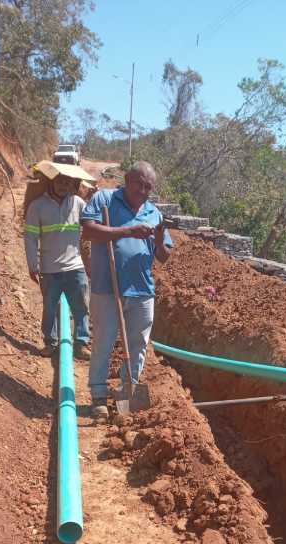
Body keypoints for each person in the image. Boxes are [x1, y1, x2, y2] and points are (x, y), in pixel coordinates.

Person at [81, 161, 173, 419]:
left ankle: (127, 391)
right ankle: (98, 395)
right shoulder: (105, 200)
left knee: (138, 344)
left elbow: (164, 256)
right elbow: (88, 231)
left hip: (142, 290)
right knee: (103, 342)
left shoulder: (154, 213)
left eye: (148, 187)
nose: (143, 190)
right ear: (127, 180)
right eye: (139, 184)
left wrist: (157, 238)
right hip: (107, 287)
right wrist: (126, 231)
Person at [24, 167, 92, 359]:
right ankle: (50, 343)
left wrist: (95, 203)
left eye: (68, 182)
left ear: (73, 184)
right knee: (50, 308)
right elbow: (30, 237)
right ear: (52, 181)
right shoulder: (37, 206)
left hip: (75, 266)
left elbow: (92, 224)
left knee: (81, 306)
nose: (64, 185)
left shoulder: (78, 203)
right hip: (49, 269)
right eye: (60, 181)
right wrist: (32, 265)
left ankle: (81, 343)